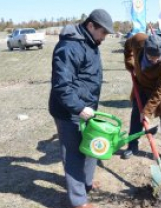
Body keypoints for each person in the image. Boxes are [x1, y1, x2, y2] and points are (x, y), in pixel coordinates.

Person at [48, 9, 114, 208]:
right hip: (69, 111)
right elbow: (62, 85)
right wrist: (78, 108)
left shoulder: (91, 42)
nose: (104, 37)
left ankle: (85, 182)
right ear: (91, 25)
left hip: (86, 108)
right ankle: (78, 201)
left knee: (91, 146)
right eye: (103, 32)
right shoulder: (69, 47)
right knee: (74, 154)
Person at [121, 33, 161, 167]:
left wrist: (147, 111)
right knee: (136, 114)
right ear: (145, 49)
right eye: (151, 58)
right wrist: (129, 62)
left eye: (158, 58)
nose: (155, 61)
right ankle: (132, 146)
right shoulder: (138, 40)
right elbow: (127, 46)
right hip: (141, 83)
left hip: (160, 87)